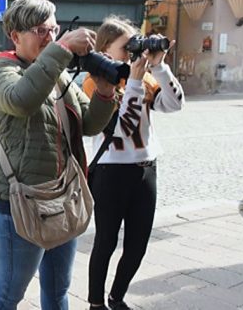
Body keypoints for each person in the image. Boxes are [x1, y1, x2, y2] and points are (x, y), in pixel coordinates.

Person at [0, 0, 118, 310]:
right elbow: (21, 98)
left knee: (59, 290)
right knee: (8, 293)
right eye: (41, 31)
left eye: (54, 29)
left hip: (62, 196)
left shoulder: (57, 74)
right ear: (15, 36)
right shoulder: (2, 69)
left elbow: (88, 124)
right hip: (20, 202)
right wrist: (61, 50)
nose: (50, 37)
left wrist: (104, 91)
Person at [84, 16, 184, 310]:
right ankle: (95, 303)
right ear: (105, 51)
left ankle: (116, 297)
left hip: (145, 169)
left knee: (138, 245)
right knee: (105, 243)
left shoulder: (143, 76)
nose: (132, 53)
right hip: (111, 172)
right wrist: (135, 83)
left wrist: (160, 66)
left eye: (135, 45)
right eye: (126, 47)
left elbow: (175, 104)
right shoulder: (95, 83)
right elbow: (121, 129)